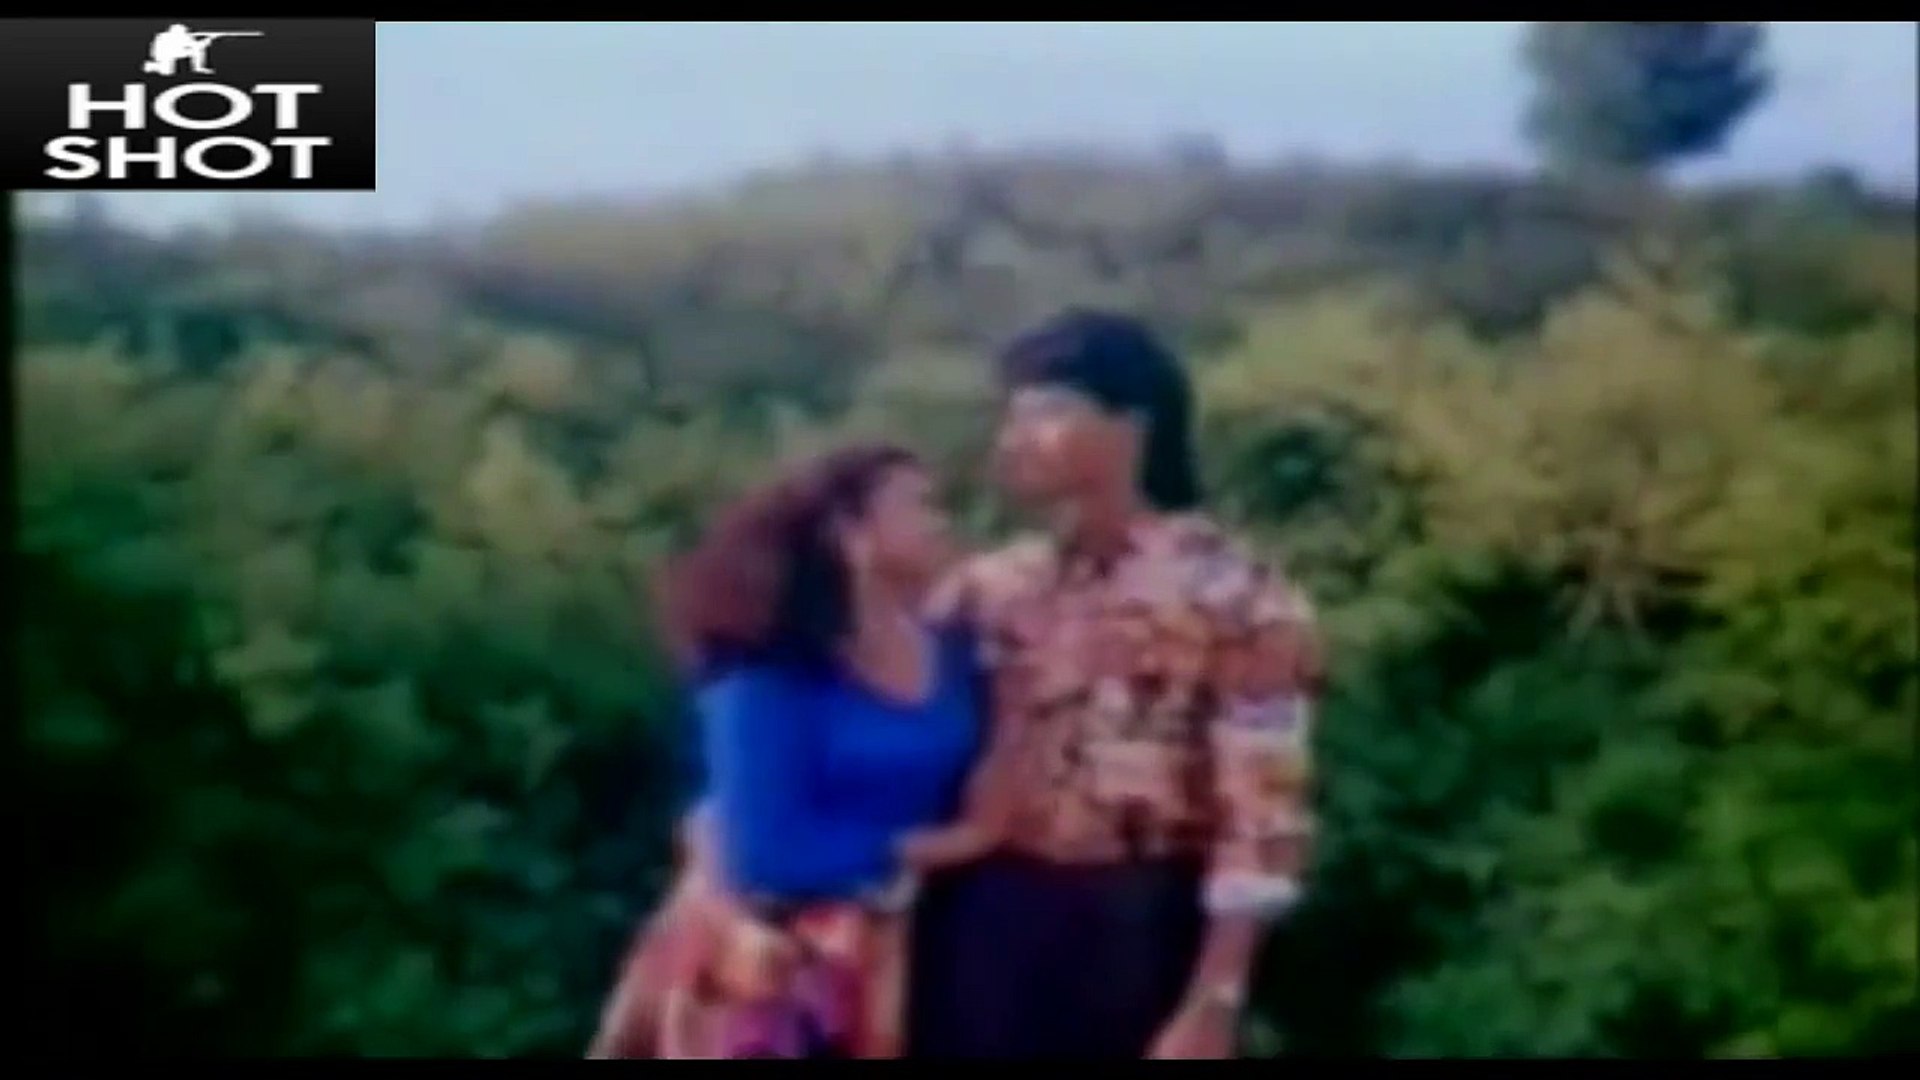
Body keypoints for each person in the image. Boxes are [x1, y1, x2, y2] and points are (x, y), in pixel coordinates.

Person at [904, 309, 1326, 1059]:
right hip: (981, 923)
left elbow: (1261, 816)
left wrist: (1216, 998)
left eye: (1047, 413)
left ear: (1132, 426)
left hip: (1137, 929)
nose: (1016, 439)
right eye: (1012, 418)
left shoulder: (1236, 594)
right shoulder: (986, 589)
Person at [589, 443, 983, 1059]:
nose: (940, 522)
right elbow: (766, 851)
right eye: (916, 506)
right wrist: (940, 846)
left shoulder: (952, 654)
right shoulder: (768, 670)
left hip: (913, 946)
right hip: (770, 952)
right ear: (849, 532)